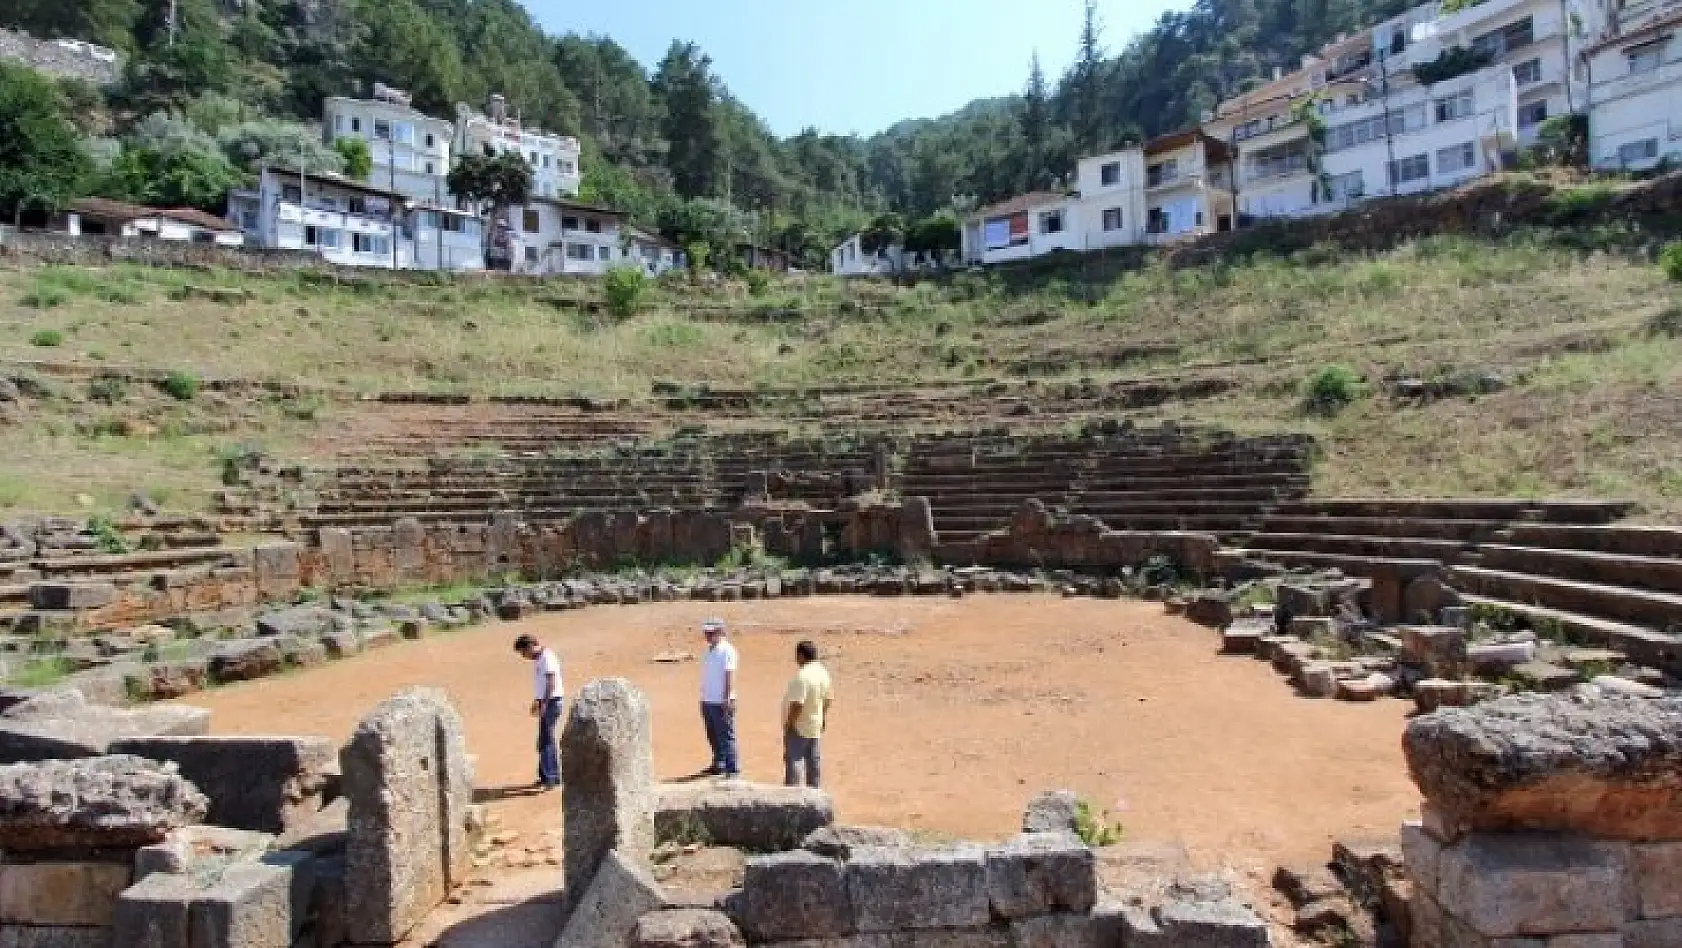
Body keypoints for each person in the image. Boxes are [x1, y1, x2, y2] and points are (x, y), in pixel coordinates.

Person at [514, 634, 563, 790]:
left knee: (546, 740)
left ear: (530, 646)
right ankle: (547, 776)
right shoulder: (540, 658)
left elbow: (550, 682)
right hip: (547, 702)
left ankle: (551, 778)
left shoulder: (547, 657)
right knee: (544, 739)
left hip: (552, 702)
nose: (524, 656)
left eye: (523, 652)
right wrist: (538, 701)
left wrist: (545, 703)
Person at [782, 639, 833, 788]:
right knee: (813, 761)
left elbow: (798, 704)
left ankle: (793, 797)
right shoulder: (823, 673)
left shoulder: (803, 676)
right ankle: (815, 793)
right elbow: (829, 698)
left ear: (801, 656)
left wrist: (790, 723)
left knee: (795, 762)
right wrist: (822, 716)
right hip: (815, 725)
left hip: (799, 726)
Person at [698, 618, 740, 778]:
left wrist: (727, 697)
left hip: (721, 700)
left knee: (727, 736)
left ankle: (733, 769)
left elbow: (729, 674)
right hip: (707, 699)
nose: (707, 635)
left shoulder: (727, 650)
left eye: (711, 632)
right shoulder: (709, 651)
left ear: (721, 632)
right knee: (713, 735)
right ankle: (719, 764)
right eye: (706, 632)